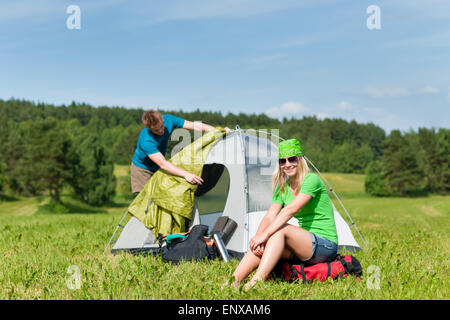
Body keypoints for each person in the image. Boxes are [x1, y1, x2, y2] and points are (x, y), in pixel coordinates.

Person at [228, 138, 338, 290]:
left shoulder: (312, 180)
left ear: (300, 160)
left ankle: (256, 282)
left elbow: (290, 210)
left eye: (292, 159)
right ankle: (232, 281)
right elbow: (270, 215)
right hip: (304, 245)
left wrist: (265, 234)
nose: (287, 164)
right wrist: (258, 239)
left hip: (325, 245)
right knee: (266, 239)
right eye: (282, 161)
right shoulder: (283, 186)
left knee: (281, 229)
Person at [130, 109, 231, 195]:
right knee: (145, 202)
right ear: (149, 129)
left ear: (162, 119)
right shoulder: (147, 140)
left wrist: (218, 131)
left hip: (157, 167)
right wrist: (186, 174)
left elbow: (194, 125)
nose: (161, 131)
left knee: (164, 196)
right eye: (156, 130)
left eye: (161, 127)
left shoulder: (169, 120)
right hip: (142, 170)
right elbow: (163, 163)